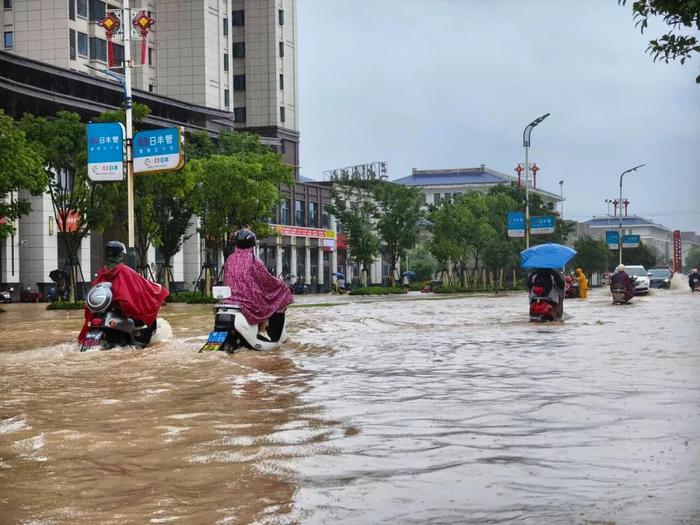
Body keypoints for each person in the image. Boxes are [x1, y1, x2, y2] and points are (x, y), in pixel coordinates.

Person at [78, 241, 169, 344]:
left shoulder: (102, 273)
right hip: (121, 311)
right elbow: (142, 287)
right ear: (121, 254)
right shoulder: (125, 271)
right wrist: (158, 291)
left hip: (105, 311)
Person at [222, 229, 293, 339]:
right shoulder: (254, 261)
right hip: (248, 304)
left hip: (228, 301)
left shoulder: (229, 260)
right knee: (281, 296)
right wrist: (281, 284)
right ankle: (271, 336)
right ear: (252, 244)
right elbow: (267, 279)